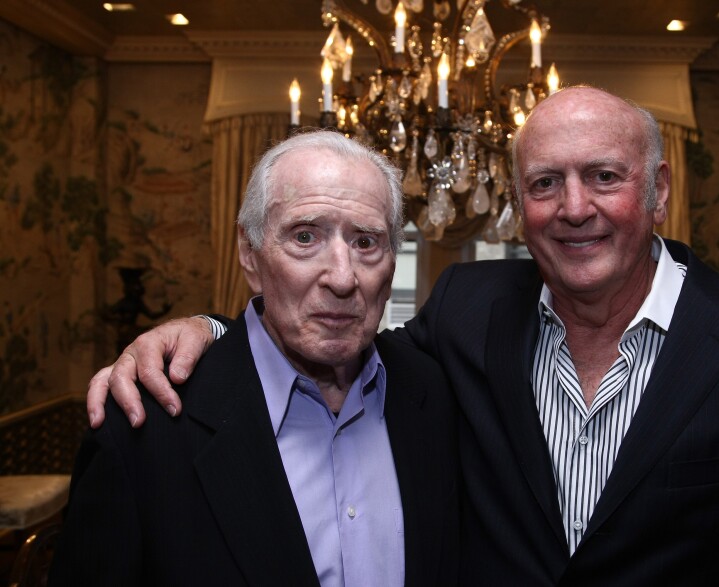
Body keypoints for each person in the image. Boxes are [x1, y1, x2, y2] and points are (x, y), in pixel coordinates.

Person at [85, 86, 719, 585]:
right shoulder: (468, 313)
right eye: (544, 183)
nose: (574, 207)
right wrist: (209, 328)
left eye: (605, 176)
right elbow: (328, 333)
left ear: (658, 190)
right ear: (519, 208)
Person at [51, 131, 460, 586]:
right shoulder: (143, 426)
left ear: (391, 263)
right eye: (306, 237)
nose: (343, 278)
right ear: (250, 254)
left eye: (366, 243)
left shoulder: (432, 391)